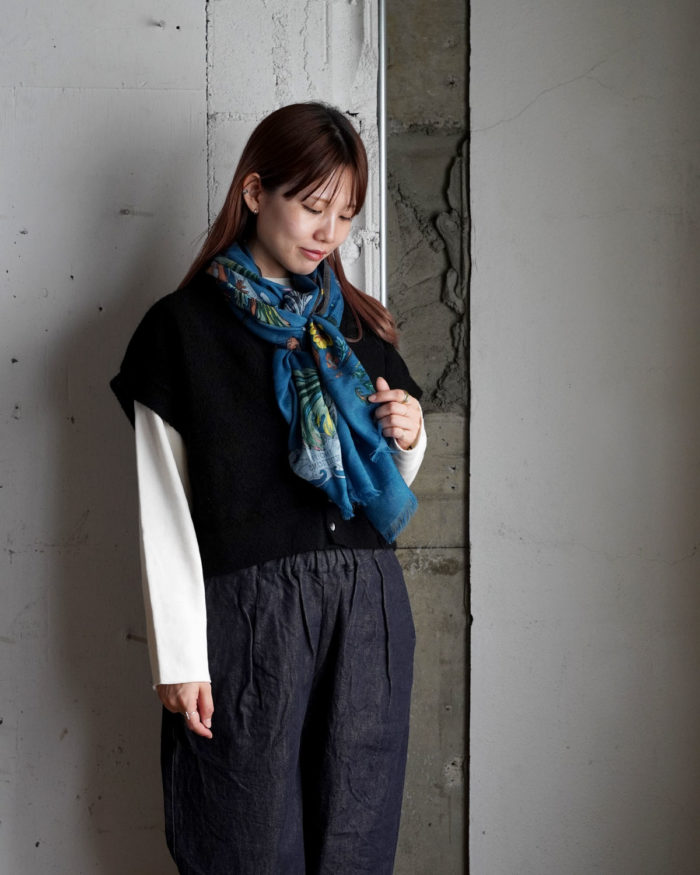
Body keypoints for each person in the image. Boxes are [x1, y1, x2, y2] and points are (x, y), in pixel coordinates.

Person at [111, 102, 427, 875]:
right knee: (243, 842)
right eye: (313, 206)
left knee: (356, 841)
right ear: (255, 192)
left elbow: (384, 490)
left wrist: (411, 433)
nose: (329, 233)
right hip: (251, 620)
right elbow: (163, 505)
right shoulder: (182, 329)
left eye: (345, 215)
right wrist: (180, 657)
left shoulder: (356, 328)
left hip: (367, 609)